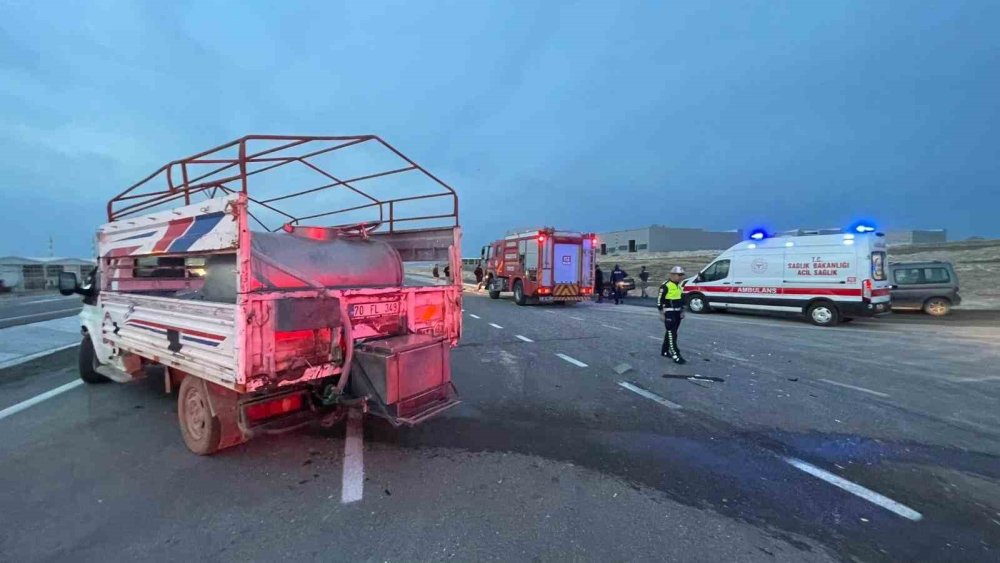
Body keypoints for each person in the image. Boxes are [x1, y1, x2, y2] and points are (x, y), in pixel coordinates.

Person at [657, 265, 687, 364]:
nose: (681, 277)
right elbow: (659, 301)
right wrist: (661, 313)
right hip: (669, 312)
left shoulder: (679, 285)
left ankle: (664, 351)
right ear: (672, 275)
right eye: (679, 275)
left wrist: (682, 311)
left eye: (682, 275)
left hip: (677, 313)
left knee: (670, 333)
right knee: (672, 334)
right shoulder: (665, 285)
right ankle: (676, 355)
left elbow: (681, 299)